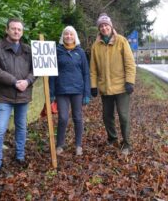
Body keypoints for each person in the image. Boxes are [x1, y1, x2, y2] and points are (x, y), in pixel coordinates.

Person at [0, 18, 36, 180]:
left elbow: (35, 69)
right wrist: (15, 82)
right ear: (6, 30)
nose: (16, 31)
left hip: (23, 95)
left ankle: (20, 156)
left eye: (19, 29)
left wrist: (28, 81)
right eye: (13, 28)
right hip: (4, 96)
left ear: (22, 32)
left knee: (21, 127)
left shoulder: (28, 49)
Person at [90, 13, 136, 155]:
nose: (104, 28)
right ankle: (112, 138)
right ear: (99, 28)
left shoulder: (121, 41)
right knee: (106, 116)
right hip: (105, 88)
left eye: (106, 25)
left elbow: (130, 63)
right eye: (101, 26)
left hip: (122, 87)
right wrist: (93, 86)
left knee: (123, 116)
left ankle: (126, 143)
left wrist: (130, 81)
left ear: (111, 26)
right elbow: (93, 69)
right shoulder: (95, 46)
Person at [49, 26, 90, 156]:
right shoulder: (56, 51)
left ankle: (78, 145)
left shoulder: (80, 52)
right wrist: (51, 92)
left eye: (71, 34)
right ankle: (60, 144)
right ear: (63, 36)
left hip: (77, 90)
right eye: (66, 34)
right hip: (61, 90)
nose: (68, 36)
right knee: (63, 118)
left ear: (75, 36)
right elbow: (51, 73)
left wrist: (87, 93)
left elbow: (86, 73)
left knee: (77, 117)